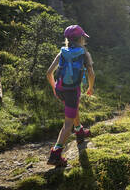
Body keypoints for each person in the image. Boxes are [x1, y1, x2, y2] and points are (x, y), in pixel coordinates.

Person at [46, 25, 95, 167]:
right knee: (67, 123)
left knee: (72, 108)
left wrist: (54, 88)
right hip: (72, 90)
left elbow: (49, 73)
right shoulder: (84, 53)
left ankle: (79, 131)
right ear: (81, 39)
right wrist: (91, 87)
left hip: (61, 89)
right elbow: (91, 73)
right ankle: (55, 153)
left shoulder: (62, 52)